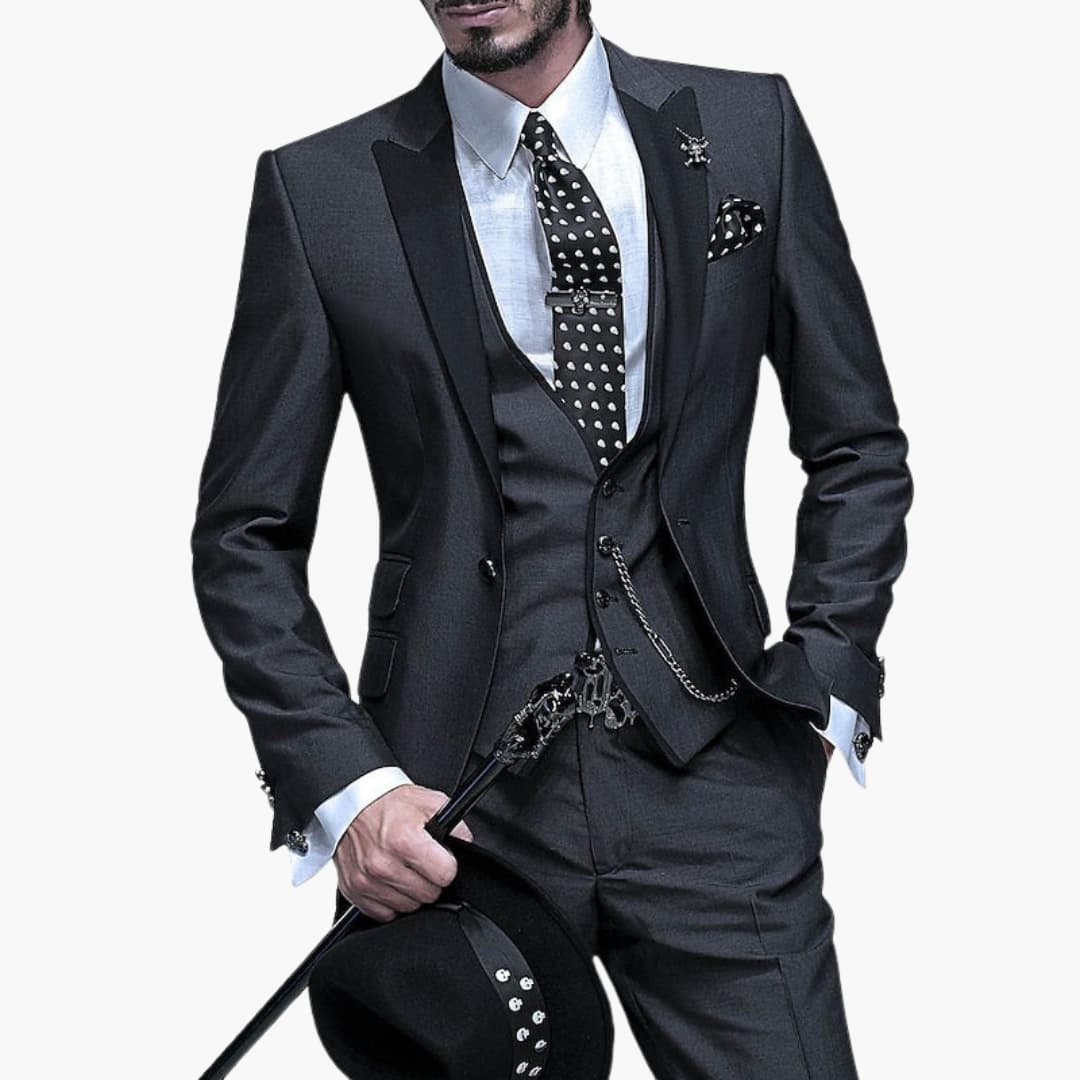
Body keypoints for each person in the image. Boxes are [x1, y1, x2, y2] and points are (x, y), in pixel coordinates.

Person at [190, 1, 913, 1074]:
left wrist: (824, 684)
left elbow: (856, 443)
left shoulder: (745, 128)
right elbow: (244, 534)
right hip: (449, 812)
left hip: (717, 771)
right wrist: (349, 790)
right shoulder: (323, 190)